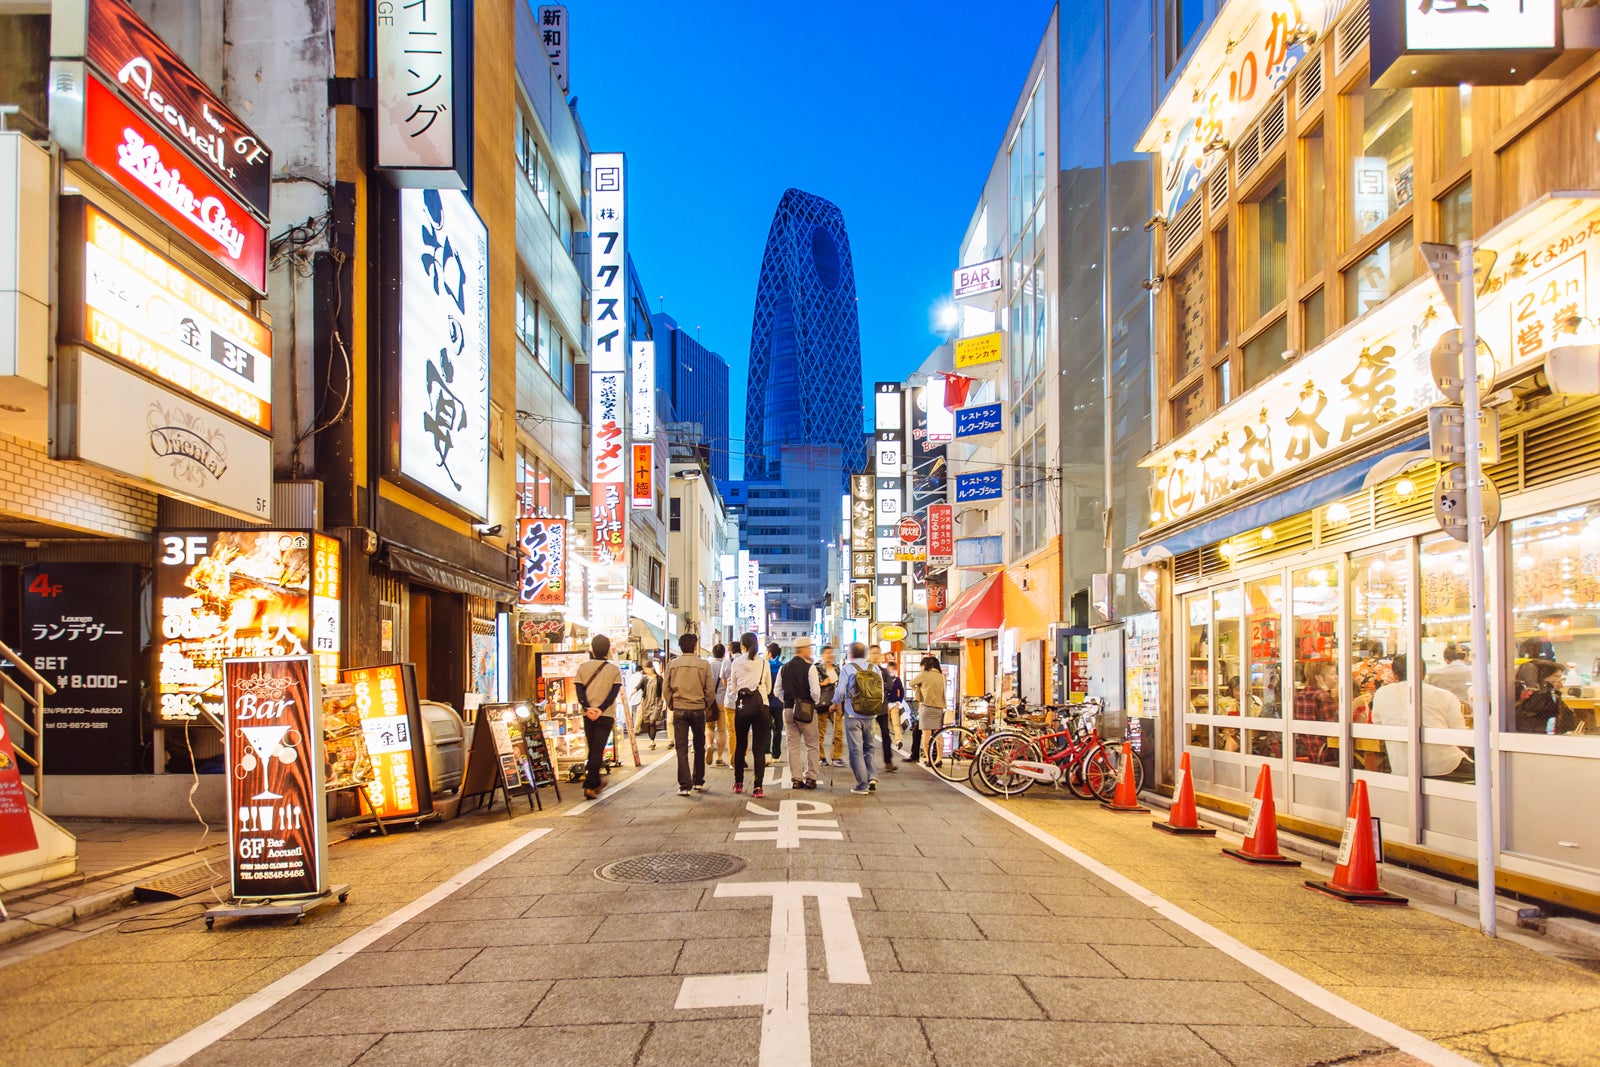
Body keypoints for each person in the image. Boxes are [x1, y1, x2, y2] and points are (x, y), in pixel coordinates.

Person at [1371, 653, 1473, 781]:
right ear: (1424, 673)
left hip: (1402, 768)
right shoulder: (1443, 695)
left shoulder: (1381, 693)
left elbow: (1378, 724)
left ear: (1395, 675)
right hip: (1445, 766)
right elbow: (1459, 735)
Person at [664, 633, 716, 797]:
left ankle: (685, 785)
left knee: (681, 748)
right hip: (698, 709)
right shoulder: (704, 665)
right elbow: (710, 691)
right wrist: (704, 705)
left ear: (680, 647)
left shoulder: (672, 664)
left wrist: (672, 704)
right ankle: (698, 781)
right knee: (699, 745)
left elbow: (666, 689)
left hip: (679, 709)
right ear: (695, 646)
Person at [573, 634, 623, 800]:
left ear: (592, 649)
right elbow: (613, 694)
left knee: (592, 747)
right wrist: (600, 709)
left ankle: (593, 783)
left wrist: (587, 708)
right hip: (605, 715)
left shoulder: (583, 668)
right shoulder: (614, 670)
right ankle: (590, 785)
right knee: (597, 749)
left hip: (588, 715)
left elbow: (579, 690)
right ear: (608, 650)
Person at [834, 641, 885, 794]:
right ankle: (872, 777)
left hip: (853, 713)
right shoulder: (875, 668)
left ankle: (862, 784)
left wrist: (834, 703)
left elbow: (841, 691)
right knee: (869, 747)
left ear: (851, 654)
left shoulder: (848, 669)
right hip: (871, 714)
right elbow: (881, 692)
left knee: (856, 749)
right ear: (865, 654)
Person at [728, 632, 773, 797]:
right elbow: (768, 688)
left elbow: (733, 687)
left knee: (741, 745)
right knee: (759, 748)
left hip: (742, 707)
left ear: (742, 646)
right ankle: (758, 786)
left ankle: (738, 783)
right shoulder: (763, 663)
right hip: (762, 707)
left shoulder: (736, 663)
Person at [776, 635, 822, 789]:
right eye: (809, 647)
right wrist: (808, 702)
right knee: (812, 744)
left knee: (793, 745)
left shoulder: (784, 668)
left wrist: (788, 701)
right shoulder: (810, 668)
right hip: (806, 710)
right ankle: (811, 778)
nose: (811, 650)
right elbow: (815, 692)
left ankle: (796, 779)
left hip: (788, 709)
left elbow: (777, 690)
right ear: (804, 650)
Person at [1293, 659, 1339, 766]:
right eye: (1332, 674)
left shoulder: (1300, 695)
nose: (1336, 677)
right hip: (1327, 755)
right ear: (1318, 678)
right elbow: (1335, 730)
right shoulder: (1323, 697)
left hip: (1309, 753)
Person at [908, 656, 947, 764]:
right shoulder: (942, 676)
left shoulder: (925, 674)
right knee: (938, 733)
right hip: (939, 708)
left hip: (927, 706)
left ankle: (929, 758)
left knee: (926, 734)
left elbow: (911, 683)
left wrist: (918, 688)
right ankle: (939, 758)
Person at [867, 647, 898, 772]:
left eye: (877, 653)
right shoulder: (865, 669)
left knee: (886, 734)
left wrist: (875, 685)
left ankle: (888, 762)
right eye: (873, 653)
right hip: (867, 708)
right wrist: (880, 686)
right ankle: (866, 762)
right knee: (866, 736)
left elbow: (890, 685)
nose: (875, 655)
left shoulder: (884, 671)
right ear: (868, 655)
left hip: (882, 708)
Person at [816, 645, 843, 766]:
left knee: (838, 731)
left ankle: (836, 757)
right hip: (822, 704)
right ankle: (820, 756)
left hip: (836, 703)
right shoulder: (817, 669)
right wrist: (822, 683)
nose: (830, 655)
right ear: (822, 655)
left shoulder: (837, 669)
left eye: (831, 653)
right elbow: (811, 684)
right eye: (827, 653)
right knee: (820, 732)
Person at [632, 659, 664, 749]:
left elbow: (663, 690)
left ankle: (652, 741)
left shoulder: (659, 678)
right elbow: (638, 687)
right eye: (645, 669)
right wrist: (631, 693)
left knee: (652, 721)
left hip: (657, 702)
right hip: (646, 702)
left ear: (652, 668)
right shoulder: (645, 678)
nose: (646, 671)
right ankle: (652, 740)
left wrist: (664, 701)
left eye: (647, 669)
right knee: (648, 723)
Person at [708, 642, 730, 766]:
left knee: (708, 727)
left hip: (710, 701)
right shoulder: (726, 664)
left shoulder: (708, 665)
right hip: (723, 701)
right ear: (724, 654)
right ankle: (719, 757)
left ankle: (709, 745)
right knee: (722, 730)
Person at [766, 641, 785, 760]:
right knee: (778, 728)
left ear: (769, 653)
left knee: (766, 728)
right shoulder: (782, 666)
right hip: (778, 701)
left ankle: (766, 753)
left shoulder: (765, 665)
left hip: (766, 701)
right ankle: (776, 754)